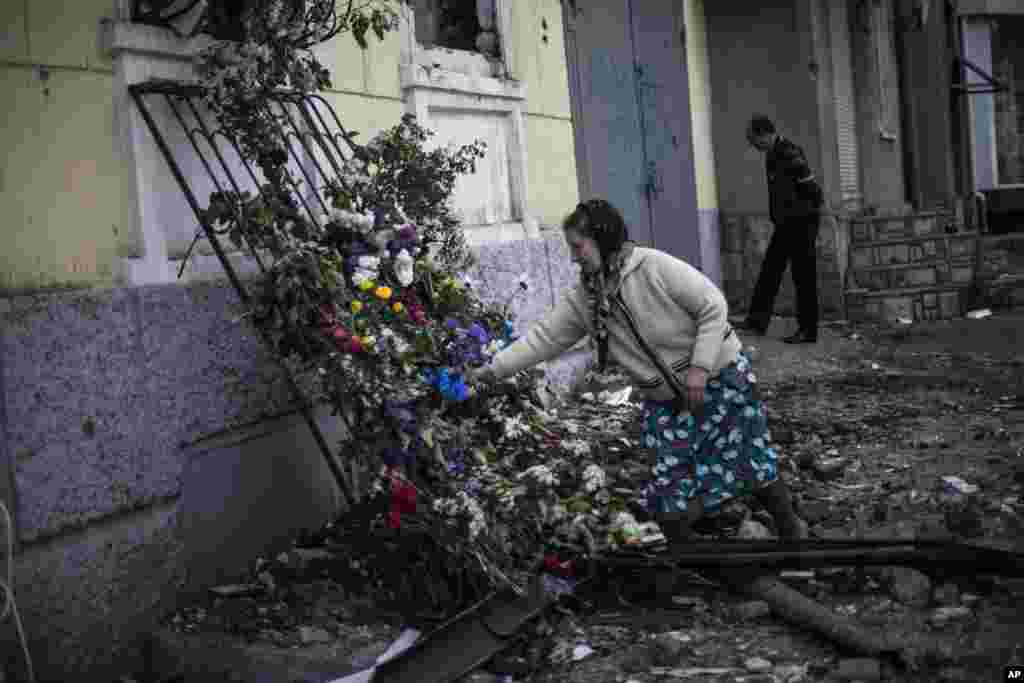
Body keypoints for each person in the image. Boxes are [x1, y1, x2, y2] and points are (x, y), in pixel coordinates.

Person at [466, 199, 806, 544]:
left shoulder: (653, 267)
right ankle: (685, 557)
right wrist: (490, 372)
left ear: (602, 238)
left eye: (577, 246)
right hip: (667, 402)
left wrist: (700, 368)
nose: (573, 257)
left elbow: (712, 306)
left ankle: (793, 534)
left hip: (721, 379)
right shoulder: (588, 297)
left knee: (749, 458)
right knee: (668, 481)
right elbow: (545, 338)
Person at [736, 115, 825, 344]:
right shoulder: (772, 155)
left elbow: (811, 187)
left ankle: (808, 330)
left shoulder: (789, 152)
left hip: (801, 223)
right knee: (770, 271)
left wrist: (808, 217)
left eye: (753, 139)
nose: (752, 145)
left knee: (803, 276)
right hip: (786, 224)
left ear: (764, 134)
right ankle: (756, 322)